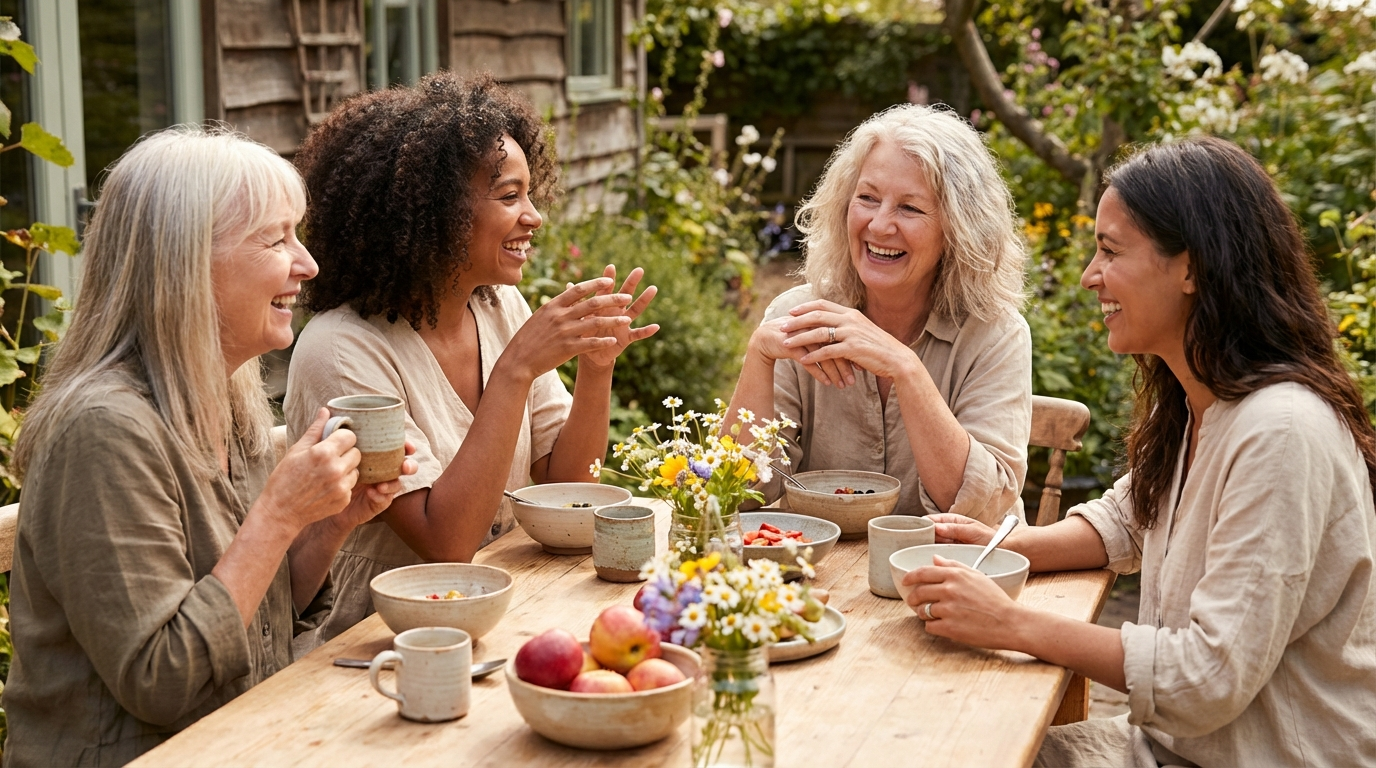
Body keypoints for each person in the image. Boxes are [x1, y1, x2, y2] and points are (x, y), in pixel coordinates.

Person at [904, 137, 1376, 766]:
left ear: (1192, 267)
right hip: (1172, 747)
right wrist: (1004, 546)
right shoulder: (1196, 398)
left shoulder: (1282, 432)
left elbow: (1207, 678)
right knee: (957, 743)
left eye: (1110, 250)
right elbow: (1132, 516)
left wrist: (1010, 624)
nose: (1088, 275)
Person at [1, 128, 414, 766]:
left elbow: (259, 613)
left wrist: (328, 523)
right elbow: (161, 681)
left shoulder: (222, 398)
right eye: (276, 238)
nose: (307, 265)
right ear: (186, 262)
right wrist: (277, 515)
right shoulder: (102, 430)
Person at [284, 72, 656, 646]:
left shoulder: (499, 305)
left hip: (497, 612)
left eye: (530, 194)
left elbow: (566, 485)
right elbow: (448, 544)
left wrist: (595, 369)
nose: (534, 216)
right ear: (433, 214)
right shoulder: (343, 348)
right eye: (509, 196)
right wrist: (514, 371)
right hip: (379, 644)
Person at [723, 104, 1030, 525]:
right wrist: (760, 355)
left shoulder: (996, 334)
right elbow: (739, 494)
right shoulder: (796, 316)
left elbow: (977, 507)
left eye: (910, 208)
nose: (880, 225)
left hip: (953, 577)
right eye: (867, 198)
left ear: (958, 228)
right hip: (825, 580)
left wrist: (905, 367)